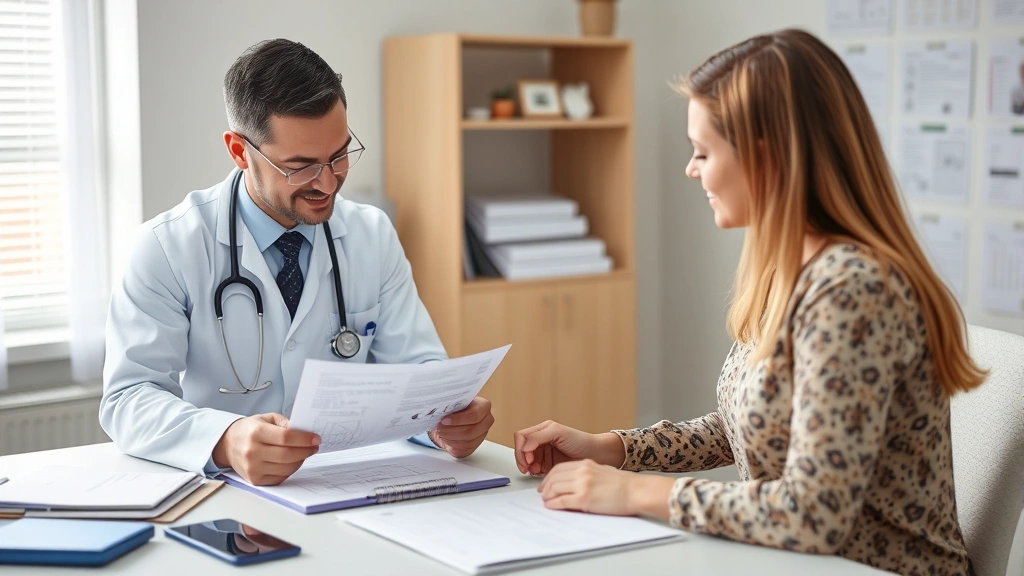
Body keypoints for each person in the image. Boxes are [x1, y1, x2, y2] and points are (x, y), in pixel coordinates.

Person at [513, 29, 983, 576]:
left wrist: (636, 494)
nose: (692, 170)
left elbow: (814, 513)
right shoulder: (787, 271)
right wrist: (611, 448)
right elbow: (741, 426)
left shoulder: (853, 290)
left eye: (703, 152)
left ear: (766, 156)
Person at [100, 39, 494, 485]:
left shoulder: (372, 233)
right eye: (301, 166)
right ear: (239, 150)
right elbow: (129, 397)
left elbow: (417, 370)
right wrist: (226, 438)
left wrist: (444, 421)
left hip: (351, 483)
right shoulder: (167, 246)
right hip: (225, 493)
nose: (328, 183)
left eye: (340, 155)